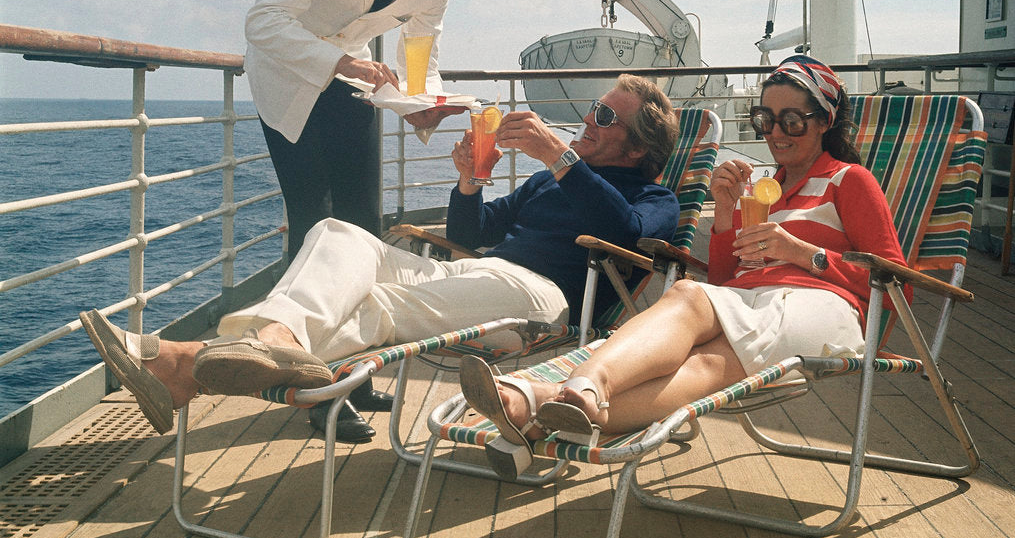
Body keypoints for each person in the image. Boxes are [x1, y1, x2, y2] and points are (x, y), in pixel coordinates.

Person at [80, 75, 682, 444]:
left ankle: (186, 362)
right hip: (472, 276)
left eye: (605, 115)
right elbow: (476, 232)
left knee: (378, 306)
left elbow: (625, 232)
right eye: (593, 109)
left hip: (541, 302)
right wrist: (471, 183)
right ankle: (273, 336)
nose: (587, 119)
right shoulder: (552, 184)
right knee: (341, 233)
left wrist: (559, 157)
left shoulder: (654, 199)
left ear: (639, 145)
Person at [456, 55, 909, 481]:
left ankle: (541, 399)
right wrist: (728, 212)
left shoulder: (850, 180)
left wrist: (804, 255)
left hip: (827, 311)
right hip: (753, 302)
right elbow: (730, 282)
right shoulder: (765, 188)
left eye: (791, 120)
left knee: (711, 361)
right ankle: (575, 397)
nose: (776, 132)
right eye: (765, 120)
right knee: (689, 296)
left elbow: (896, 286)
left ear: (825, 121)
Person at [245, 0, 485, 423]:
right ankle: (308, 389)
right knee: (313, 228)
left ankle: (352, 378)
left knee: (361, 231)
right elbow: (264, 21)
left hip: (356, 86)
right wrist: (344, 64)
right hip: (289, 78)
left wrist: (424, 107)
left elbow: (422, 55)